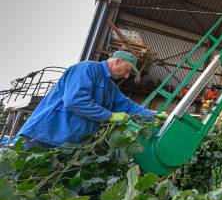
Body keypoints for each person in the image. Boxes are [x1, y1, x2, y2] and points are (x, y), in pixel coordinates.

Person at [16, 51, 156, 149]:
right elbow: (75, 101)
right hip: (46, 136)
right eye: (127, 70)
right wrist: (109, 115)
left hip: (68, 143)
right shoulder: (87, 68)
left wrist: (155, 117)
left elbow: (129, 106)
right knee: (21, 184)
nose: (126, 76)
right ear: (118, 60)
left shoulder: (110, 87)